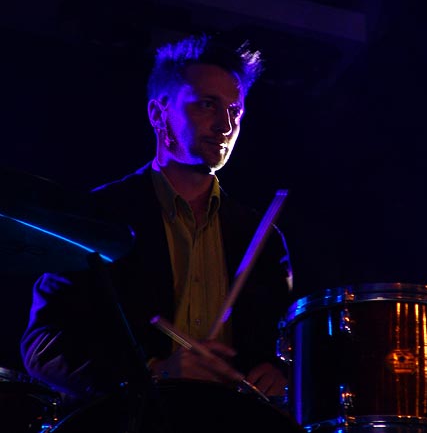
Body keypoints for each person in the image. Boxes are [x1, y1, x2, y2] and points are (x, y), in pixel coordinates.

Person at [20, 32, 298, 430]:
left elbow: (288, 347)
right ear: (158, 112)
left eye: (235, 111)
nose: (226, 125)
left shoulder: (263, 237)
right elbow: (43, 346)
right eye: (207, 104)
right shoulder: (96, 217)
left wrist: (279, 372)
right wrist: (152, 373)